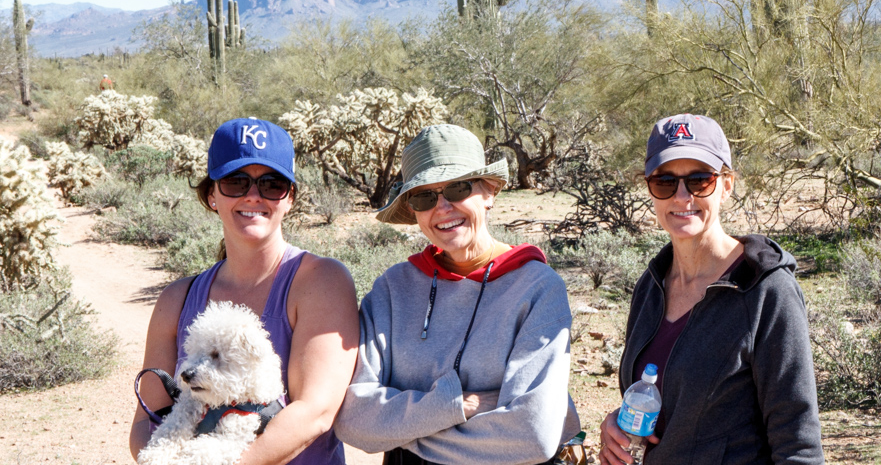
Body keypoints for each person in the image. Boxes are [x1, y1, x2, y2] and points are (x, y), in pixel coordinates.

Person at [334, 124, 581, 465]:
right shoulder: (392, 289)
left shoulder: (537, 288)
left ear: (489, 192)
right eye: (423, 196)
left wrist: (402, 433)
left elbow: (533, 434)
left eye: (457, 188)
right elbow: (353, 420)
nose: (442, 207)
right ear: (413, 209)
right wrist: (456, 405)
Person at [129, 117, 359, 465]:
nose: (253, 195)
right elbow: (148, 419)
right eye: (236, 182)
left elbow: (315, 412)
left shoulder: (321, 281)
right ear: (211, 195)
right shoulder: (176, 300)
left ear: (290, 197)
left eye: (272, 184)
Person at [598, 114, 824, 465]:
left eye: (700, 180)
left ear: (727, 184)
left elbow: (798, 447)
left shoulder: (764, 290)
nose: (682, 196)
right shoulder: (652, 284)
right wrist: (618, 423)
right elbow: (671, 404)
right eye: (665, 182)